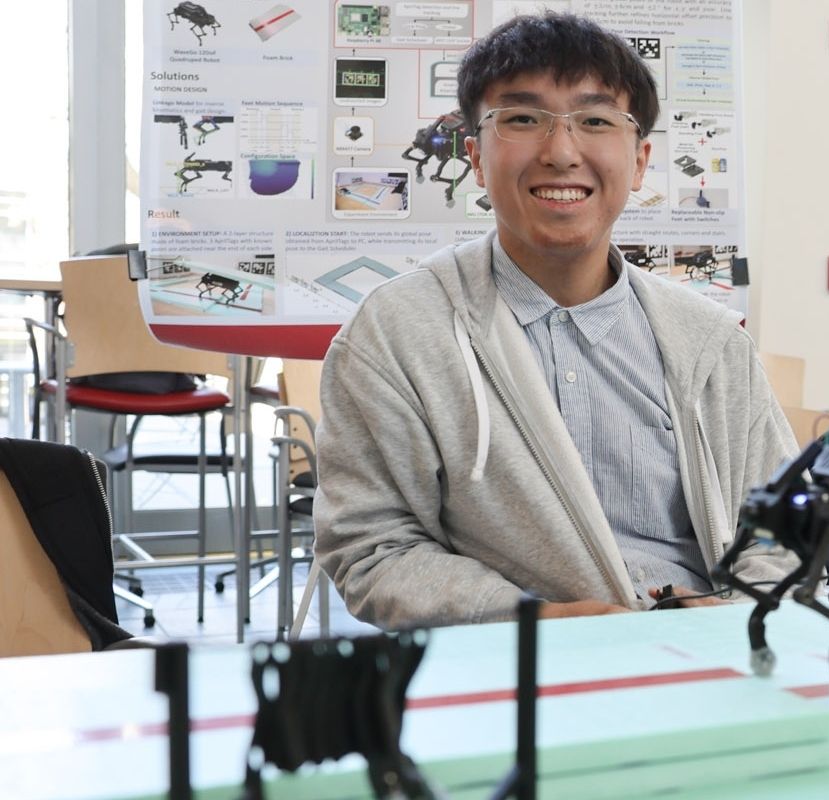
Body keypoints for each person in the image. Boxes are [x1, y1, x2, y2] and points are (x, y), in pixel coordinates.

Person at [314, 13, 797, 629]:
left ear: (641, 161)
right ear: (476, 158)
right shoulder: (398, 332)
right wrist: (535, 622)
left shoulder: (710, 341)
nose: (561, 152)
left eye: (595, 121)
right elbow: (373, 546)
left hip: (703, 656)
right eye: (522, 119)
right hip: (508, 666)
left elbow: (783, 530)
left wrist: (732, 616)